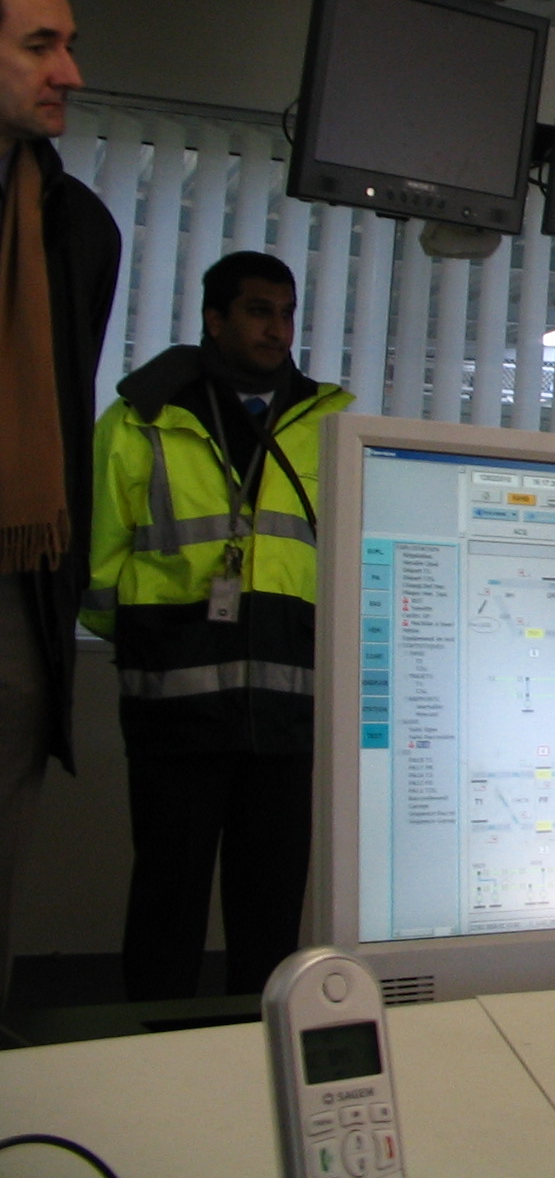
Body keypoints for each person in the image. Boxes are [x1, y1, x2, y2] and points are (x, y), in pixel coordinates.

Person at [84, 252, 352, 1001]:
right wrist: (158, 643)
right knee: (167, 898)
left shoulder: (330, 422)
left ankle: (257, 1052)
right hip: (177, 708)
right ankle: (152, 1048)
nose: (278, 329)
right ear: (214, 318)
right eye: (260, 311)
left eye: (287, 313)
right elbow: (98, 568)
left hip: (290, 710)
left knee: (270, 909)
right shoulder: (141, 417)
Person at [0, 0, 120, 1008]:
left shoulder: (81, 229)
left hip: (18, 587)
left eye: (69, 45)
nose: (69, 72)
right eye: (40, 46)